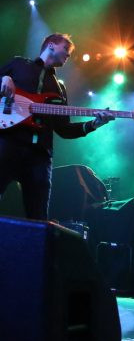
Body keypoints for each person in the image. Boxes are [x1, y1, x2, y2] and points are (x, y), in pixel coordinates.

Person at [0, 33, 114, 220]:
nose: (69, 56)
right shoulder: (18, 64)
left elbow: (65, 130)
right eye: (66, 50)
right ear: (51, 45)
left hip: (40, 156)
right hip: (8, 143)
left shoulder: (59, 88)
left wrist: (94, 124)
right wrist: (3, 79)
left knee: (38, 216)